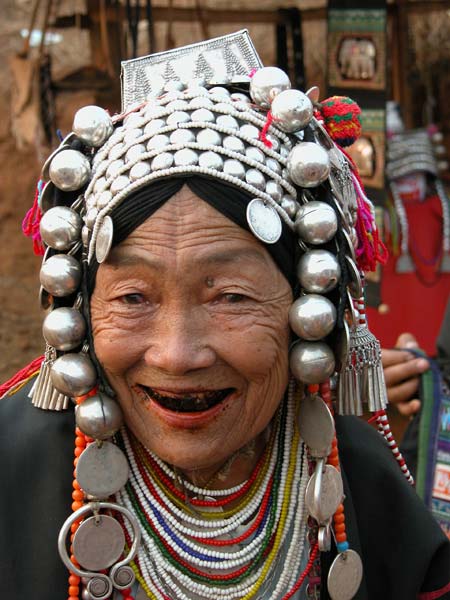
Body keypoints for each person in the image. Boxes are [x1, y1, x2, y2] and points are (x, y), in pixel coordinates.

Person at [1, 31, 449, 600]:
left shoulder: (357, 472)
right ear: (80, 310)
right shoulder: (12, 471)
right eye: (133, 297)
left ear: (311, 306)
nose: (178, 354)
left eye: (231, 296)